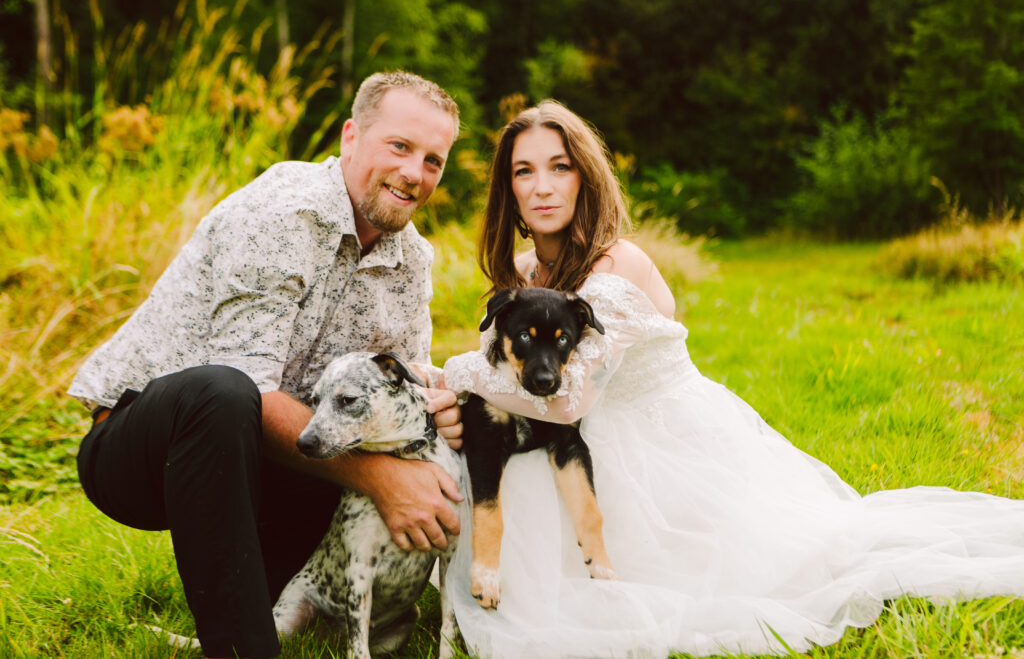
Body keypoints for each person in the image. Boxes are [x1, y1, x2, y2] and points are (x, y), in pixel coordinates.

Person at [440, 99, 1024, 658]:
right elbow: (512, 378)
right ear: (509, 191)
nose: (542, 186)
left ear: (585, 178)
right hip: (582, 440)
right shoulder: (523, 273)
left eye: (560, 167)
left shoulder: (618, 264)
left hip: (661, 445)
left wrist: (451, 372)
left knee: (780, 569)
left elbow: (570, 402)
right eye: (524, 171)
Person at [70, 70, 466, 659]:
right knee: (224, 391)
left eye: (434, 160)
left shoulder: (413, 259)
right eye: (400, 146)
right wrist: (382, 479)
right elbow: (251, 388)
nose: (415, 172)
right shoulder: (282, 213)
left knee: (294, 593)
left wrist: (442, 408)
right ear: (351, 137)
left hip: (277, 464)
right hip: (150, 451)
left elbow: (403, 382)